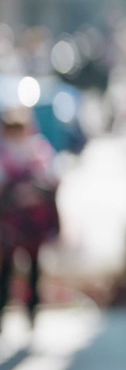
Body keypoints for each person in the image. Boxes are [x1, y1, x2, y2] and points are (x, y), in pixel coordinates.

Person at [0, 106, 60, 331]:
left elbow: (51, 179)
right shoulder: (4, 154)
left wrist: (32, 190)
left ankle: (32, 312)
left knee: (34, 268)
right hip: (9, 225)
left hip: (33, 224)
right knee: (6, 270)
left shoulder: (38, 150)